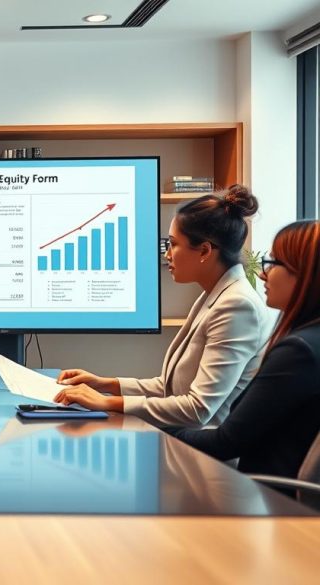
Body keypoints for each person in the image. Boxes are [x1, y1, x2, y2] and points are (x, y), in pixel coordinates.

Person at [55, 185, 272, 427]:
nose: (167, 255)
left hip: (201, 447)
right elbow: (169, 388)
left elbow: (198, 409)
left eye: (173, 244)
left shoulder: (237, 305)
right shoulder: (215, 295)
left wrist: (107, 402)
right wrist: (104, 384)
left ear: (204, 251)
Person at [170, 220, 320, 479]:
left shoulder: (298, 352)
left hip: (269, 496)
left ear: (305, 272)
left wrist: (154, 433)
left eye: (273, 263)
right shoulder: (309, 341)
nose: (262, 274)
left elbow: (226, 442)